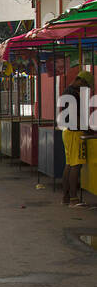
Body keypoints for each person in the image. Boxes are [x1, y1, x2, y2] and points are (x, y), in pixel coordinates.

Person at [60, 70, 92, 207]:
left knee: (69, 164)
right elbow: (74, 116)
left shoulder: (68, 91)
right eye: (86, 85)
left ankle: (66, 198)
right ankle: (73, 198)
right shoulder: (72, 93)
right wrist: (86, 128)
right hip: (74, 132)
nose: (86, 88)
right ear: (81, 81)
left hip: (67, 131)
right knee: (75, 166)